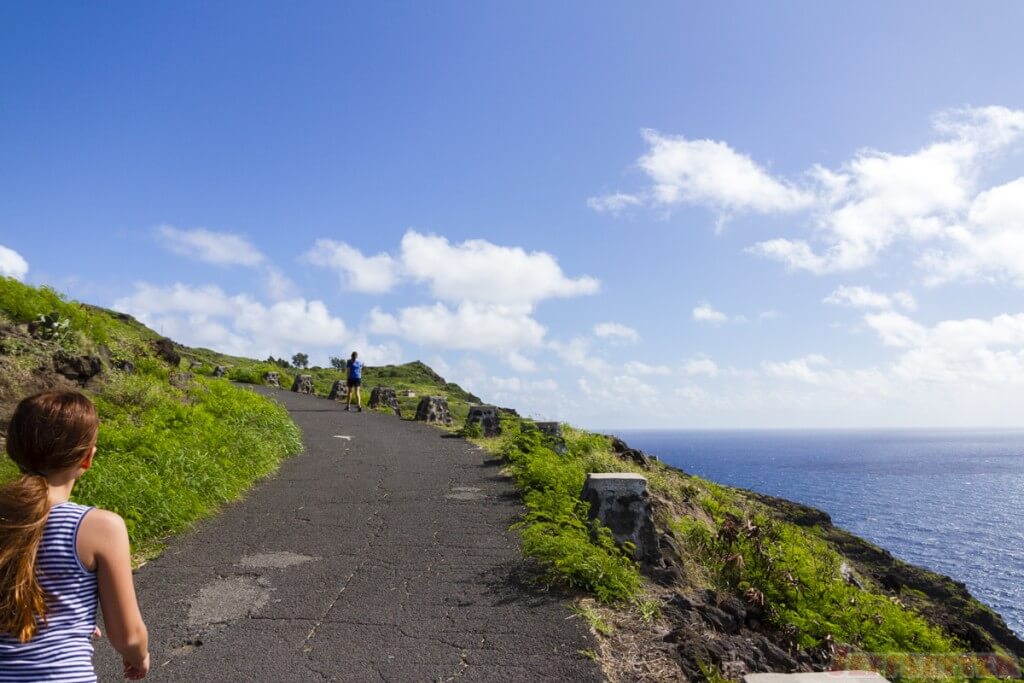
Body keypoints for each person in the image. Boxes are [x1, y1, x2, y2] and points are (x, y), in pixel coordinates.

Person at [0, 391, 150, 681]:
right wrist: (139, 656)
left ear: (14, 450)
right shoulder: (100, 527)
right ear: (86, 458)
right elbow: (128, 637)